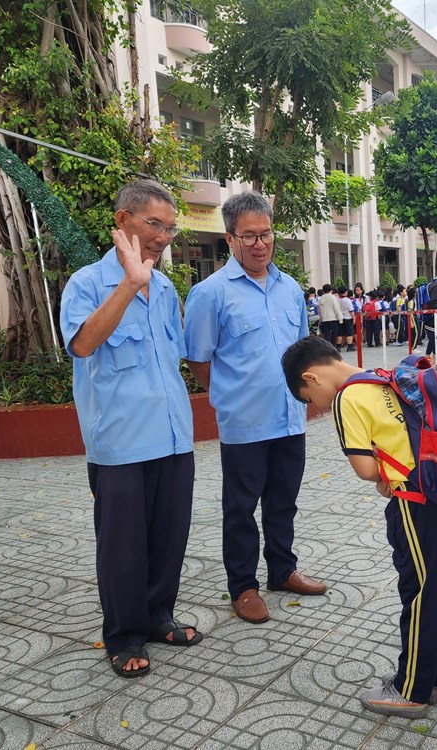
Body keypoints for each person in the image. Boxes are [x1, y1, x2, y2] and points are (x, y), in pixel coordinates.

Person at [282, 336, 437, 719]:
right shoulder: (384, 376)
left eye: (307, 399)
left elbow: (367, 469)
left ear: (311, 377)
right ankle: (432, 679)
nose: (314, 407)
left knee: (420, 594)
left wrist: (383, 475)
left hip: (417, 504)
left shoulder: (347, 398)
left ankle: (410, 691)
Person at [60, 179, 201, 679]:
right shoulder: (86, 283)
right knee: (122, 545)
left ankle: (159, 615)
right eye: (153, 224)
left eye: (170, 227)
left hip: (171, 436)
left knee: (169, 536)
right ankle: (123, 635)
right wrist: (129, 284)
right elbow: (82, 345)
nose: (164, 236)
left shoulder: (165, 289)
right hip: (119, 442)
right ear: (123, 222)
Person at [184, 191, 326, 627]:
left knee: (283, 502)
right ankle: (243, 586)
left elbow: (303, 351)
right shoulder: (210, 294)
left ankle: (282, 571)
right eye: (249, 237)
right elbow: (198, 359)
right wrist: (228, 394)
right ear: (230, 239)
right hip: (244, 423)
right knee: (240, 509)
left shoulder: (289, 289)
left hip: (289, 418)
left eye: (266, 234)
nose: (260, 244)